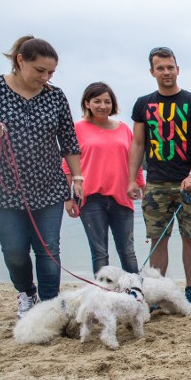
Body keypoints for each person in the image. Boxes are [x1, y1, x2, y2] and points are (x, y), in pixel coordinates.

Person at [0, 36, 82, 318]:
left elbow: (69, 142)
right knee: (14, 249)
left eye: (50, 72)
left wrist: (78, 179)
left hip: (49, 185)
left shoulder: (55, 96)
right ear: (20, 60)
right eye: (40, 70)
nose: (45, 77)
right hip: (1, 187)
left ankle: (51, 303)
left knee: (48, 248)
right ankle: (26, 292)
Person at [127, 46, 191, 307]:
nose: (166, 72)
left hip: (187, 182)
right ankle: (157, 291)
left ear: (178, 69)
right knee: (158, 238)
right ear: (152, 71)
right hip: (156, 183)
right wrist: (133, 179)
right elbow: (138, 143)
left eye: (170, 67)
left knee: (190, 236)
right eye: (160, 68)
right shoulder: (143, 103)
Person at [63, 82, 143, 276]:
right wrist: (68, 197)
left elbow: (135, 160)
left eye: (107, 101)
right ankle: (102, 297)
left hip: (121, 197)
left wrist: (141, 185)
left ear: (113, 104)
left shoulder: (124, 129)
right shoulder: (77, 128)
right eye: (97, 101)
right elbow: (67, 166)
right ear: (87, 103)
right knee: (99, 253)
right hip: (91, 199)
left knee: (128, 251)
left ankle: (135, 293)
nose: (102, 106)